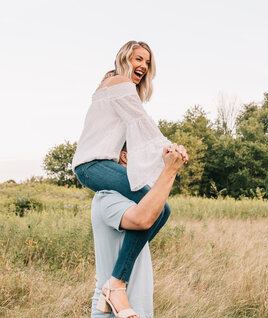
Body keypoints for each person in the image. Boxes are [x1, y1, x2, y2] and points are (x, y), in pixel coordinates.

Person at [72, 41, 189, 317]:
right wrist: (170, 149)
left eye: (147, 62)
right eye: (138, 59)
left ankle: (114, 279)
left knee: (161, 210)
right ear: (124, 58)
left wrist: (125, 152)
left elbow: (122, 130)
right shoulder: (118, 82)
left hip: (104, 163)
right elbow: (143, 123)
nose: (143, 66)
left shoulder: (113, 87)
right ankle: (116, 283)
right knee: (159, 208)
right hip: (92, 165)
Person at [91, 145, 185, 318]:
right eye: (144, 156)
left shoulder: (129, 200)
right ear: (125, 157)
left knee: (164, 209)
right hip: (116, 313)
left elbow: (157, 211)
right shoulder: (107, 196)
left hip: (135, 309)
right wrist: (170, 170)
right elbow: (144, 219)